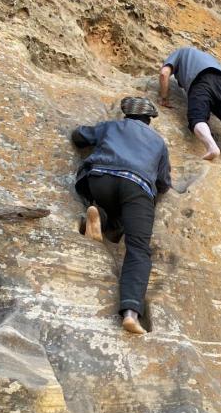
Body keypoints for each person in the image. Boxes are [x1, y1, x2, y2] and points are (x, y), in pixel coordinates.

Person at [71, 97, 171, 336]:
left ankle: (99, 220)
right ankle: (130, 314)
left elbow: (79, 136)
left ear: (126, 115)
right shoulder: (158, 142)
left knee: (114, 216)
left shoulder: (110, 126)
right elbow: (164, 182)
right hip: (137, 188)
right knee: (137, 248)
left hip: (100, 179)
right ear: (149, 120)